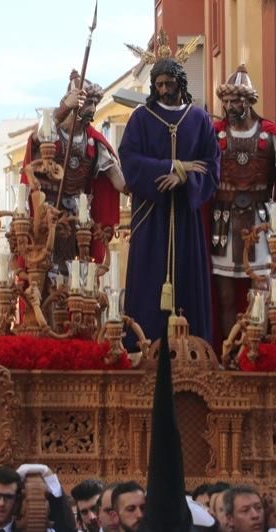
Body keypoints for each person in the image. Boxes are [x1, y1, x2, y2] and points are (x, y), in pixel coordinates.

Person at [207, 64, 276, 345]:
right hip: (223, 222)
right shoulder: (213, 135)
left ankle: (257, 349)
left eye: (235, 101)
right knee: (226, 295)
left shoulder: (268, 136)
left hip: (260, 221)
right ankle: (229, 352)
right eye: (226, 101)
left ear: (248, 102)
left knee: (262, 290)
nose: (229, 106)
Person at [119, 53, 220, 349]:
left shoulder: (199, 118)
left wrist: (185, 178)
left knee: (188, 285)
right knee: (148, 284)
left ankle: (193, 349)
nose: (164, 89)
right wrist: (175, 167)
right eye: (159, 84)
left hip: (187, 219)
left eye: (169, 83)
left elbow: (211, 166)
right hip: (152, 217)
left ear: (180, 82)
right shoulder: (140, 118)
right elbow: (130, 160)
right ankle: (145, 346)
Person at [21, 70, 126, 269]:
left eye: (95, 103)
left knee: (75, 279)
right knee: (44, 272)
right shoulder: (51, 130)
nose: (92, 108)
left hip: (78, 220)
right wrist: (63, 109)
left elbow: (120, 181)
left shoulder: (95, 142)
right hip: (47, 215)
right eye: (87, 101)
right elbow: (36, 139)